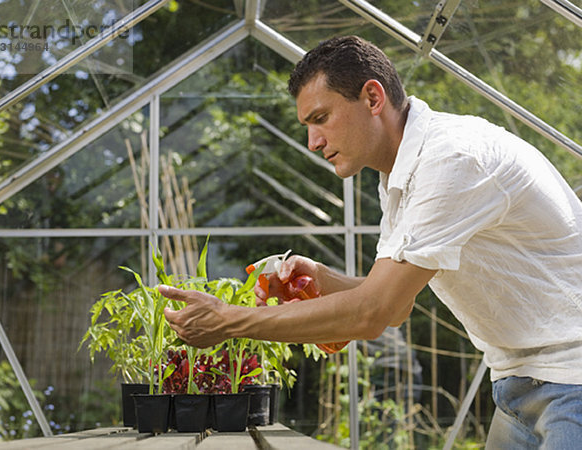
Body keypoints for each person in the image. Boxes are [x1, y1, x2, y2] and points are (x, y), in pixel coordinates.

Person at [160, 35, 582, 447]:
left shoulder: (451, 160)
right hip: (518, 381)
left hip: (572, 380)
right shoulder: (399, 174)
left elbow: (373, 313)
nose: (313, 142)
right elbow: (396, 304)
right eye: (307, 126)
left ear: (373, 98)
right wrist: (325, 279)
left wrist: (229, 321)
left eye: (321, 118)